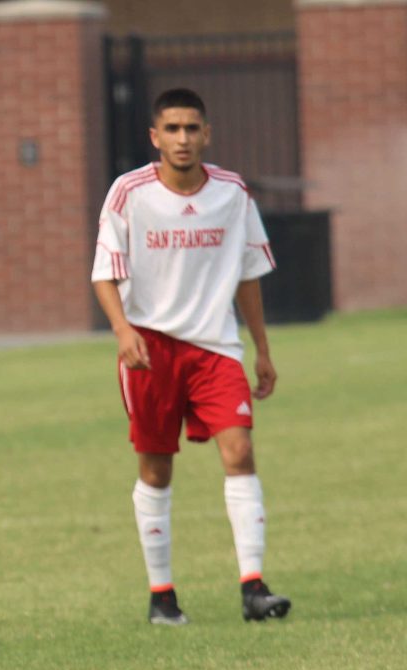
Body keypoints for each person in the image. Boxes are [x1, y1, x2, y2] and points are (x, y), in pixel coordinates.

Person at [91, 88, 292, 627]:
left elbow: (248, 273)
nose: (183, 138)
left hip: (216, 348)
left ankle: (254, 587)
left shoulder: (232, 192)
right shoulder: (128, 192)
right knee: (156, 470)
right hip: (149, 350)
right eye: (172, 129)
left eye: (192, 128)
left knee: (239, 452)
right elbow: (104, 273)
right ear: (155, 137)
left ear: (208, 134)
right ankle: (162, 597)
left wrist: (262, 350)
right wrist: (122, 332)